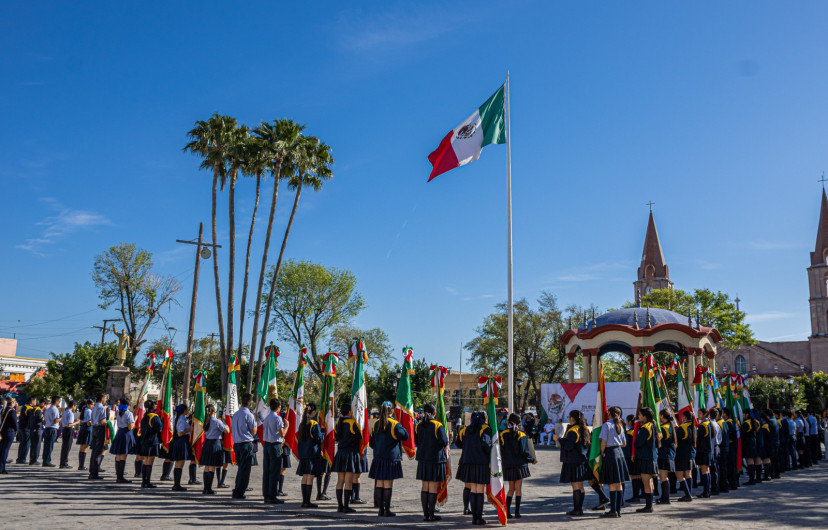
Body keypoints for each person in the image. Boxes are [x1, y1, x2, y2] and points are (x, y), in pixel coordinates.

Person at [369, 401, 410, 517]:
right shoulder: (394, 424)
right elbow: (405, 436)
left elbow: (371, 442)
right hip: (390, 459)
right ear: (392, 411)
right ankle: (386, 510)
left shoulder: (376, 424)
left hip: (378, 458)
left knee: (379, 484)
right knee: (387, 484)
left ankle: (380, 510)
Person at [455, 410, 491, 524]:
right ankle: (478, 517)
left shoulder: (465, 430)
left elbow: (458, 443)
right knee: (479, 491)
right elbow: (487, 445)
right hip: (481, 463)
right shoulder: (485, 429)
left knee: (473, 490)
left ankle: (474, 518)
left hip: (468, 462)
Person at [415, 403, 449, 522]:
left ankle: (425, 514)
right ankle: (431, 514)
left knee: (425, 486)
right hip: (435, 459)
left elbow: (417, 441)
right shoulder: (437, 425)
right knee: (433, 487)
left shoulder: (419, 425)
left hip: (423, 459)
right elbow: (444, 442)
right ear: (434, 413)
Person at [554, 409, 591, 517]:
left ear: (572, 418)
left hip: (573, 461)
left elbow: (568, 446)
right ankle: (579, 508)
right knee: (581, 486)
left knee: (575, 486)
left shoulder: (573, 431)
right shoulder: (585, 429)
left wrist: (559, 439)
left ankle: (577, 509)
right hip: (582, 460)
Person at [501, 412, 536, 519]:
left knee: (511, 489)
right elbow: (525, 451)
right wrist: (532, 459)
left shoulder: (502, 434)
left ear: (508, 421)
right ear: (519, 422)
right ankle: (517, 512)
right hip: (520, 465)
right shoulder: (522, 435)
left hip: (508, 465)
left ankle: (507, 512)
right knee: (518, 489)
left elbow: (501, 450)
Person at [333, 403, 362, 514]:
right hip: (350, 454)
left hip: (340, 454)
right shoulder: (353, 423)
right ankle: (346, 506)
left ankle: (340, 506)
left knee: (340, 481)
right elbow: (359, 436)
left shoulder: (338, 423)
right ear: (350, 412)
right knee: (348, 482)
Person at [297, 403, 325, 508]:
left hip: (304, 454)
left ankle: (304, 500)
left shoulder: (302, 423)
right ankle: (307, 501)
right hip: (312, 454)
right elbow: (319, 438)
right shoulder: (314, 424)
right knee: (310, 477)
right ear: (313, 412)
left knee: (304, 476)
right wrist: (322, 431)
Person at [231, 393, 258, 500]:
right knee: (245, 470)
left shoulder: (236, 414)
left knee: (240, 468)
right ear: (250, 402)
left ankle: (237, 488)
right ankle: (239, 492)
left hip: (237, 443)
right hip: (246, 443)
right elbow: (254, 431)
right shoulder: (249, 415)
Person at [633, 407, 659, 513]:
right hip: (650, 457)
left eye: (639, 415)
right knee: (650, 482)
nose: (638, 417)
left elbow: (638, 443)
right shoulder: (651, 425)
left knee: (647, 482)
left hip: (646, 457)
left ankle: (648, 506)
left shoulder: (645, 428)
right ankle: (649, 505)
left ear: (644, 416)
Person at [262, 398, 288, 505]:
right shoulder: (277, 419)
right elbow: (282, 434)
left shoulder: (267, 417)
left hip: (267, 444)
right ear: (278, 407)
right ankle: (272, 495)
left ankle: (266, 494)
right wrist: (287, 426)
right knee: (274, 471)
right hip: (275, 445)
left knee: (267, 471)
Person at [200, 404, 228, 494]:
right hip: (215, 443)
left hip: (207, 443)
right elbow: (227, 430)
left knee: (207, 467)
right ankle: (209, 489)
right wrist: (226, 424)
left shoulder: (206, 421)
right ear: (214, 411)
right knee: (212, 466)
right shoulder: (217, 421)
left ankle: (205, 488)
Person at [111, 398, 136, 483]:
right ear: (128, 405)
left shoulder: (119, 413)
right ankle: (120, 477)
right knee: (123, 455)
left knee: (118, 455)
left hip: (119, 432)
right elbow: (130, 427)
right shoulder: (129, 413)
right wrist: (134, 422)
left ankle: (118, 476)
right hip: (126, 433)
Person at [139, 400, 163, 488]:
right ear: (152, 407)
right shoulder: (154, 417)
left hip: (145, 441)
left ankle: (144, 481)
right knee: (150, 462)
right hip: (152, 441)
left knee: (145, 461)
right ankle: (147, 482)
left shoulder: (145, 416)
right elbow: (160, 428)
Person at [656, 409, 676, 505]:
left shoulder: (664, 428)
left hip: (664, 454)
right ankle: (664, 496)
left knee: (663, 476)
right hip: (667, 454)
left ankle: (666, 498)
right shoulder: (668, 426)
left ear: (662, 416)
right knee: (663, 476)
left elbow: (659, 440)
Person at [170, 404, 192, 491]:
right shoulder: (182, 419)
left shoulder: (178, 418)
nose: (188, 411)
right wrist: (189, 429)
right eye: (187, 409)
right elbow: (180, 433)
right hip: (181, 441)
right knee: (180, 463)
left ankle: (176, 484)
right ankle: (177, 484)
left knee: (178, 463)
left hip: (179, 441)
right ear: (184, 411)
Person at [87, 393, 108, 479]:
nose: (106, 400)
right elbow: (102, 421)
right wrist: (110, 423)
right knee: (98, 451)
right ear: (102, 398)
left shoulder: (95, 406)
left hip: (94, 428)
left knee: (94, 450)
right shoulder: (101, 408)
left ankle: (92, 470)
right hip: (100, 428)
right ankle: (94, 473)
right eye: (105, 398)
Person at [695, 408, 713, 498]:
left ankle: (706, 491)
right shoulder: (708, 423)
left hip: (703, 450)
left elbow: (698, 438)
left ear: (705, 414)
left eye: (700, 413)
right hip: (707, 450)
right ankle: (707, 490)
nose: (698, 415)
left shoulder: (703, 425)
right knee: (707, 470)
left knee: (704, 470)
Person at [713, 408, 730, 493]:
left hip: (722, 447)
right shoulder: (723, 422)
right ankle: (724, 484)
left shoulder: (718, 423)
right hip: (725, 447)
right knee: (723, 467)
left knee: (721, 468)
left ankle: (723, 485)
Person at [58, 400, 79, 469]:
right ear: (73, 406)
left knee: (64, 447)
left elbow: (61, 423)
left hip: (64, 429)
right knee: (67, 447)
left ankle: (62, 462)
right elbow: (69, 424)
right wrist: (76, 422)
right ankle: (64, 462)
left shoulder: (65, 412)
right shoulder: (70, 413)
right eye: (75, 406)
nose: (75, 408)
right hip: (68, 430)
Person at [41, 396, 61, 467]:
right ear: (56, 402)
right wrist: (61, 418)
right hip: (52, 428)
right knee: (49, 446)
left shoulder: (48, 409)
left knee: (46, 445)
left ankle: (45, 460)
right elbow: (55, 420)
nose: (59, 403)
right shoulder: (55, 409)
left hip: (47, 427)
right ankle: (47, 461)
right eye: (59, 401)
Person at [722, 408, 739, 490]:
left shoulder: (728, 423)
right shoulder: (730, 421)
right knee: (732, 465)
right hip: (732, 446)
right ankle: (734, 482)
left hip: (731, 446)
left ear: (725, 414)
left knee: (731, 466)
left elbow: (731, 434)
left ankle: (733, 483)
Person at [0, 398, 19, 474]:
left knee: (2, 450)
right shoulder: (11, 411)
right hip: (9, 432)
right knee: (5, 450)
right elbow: (15, 422)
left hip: (3, 432)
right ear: (12, 402)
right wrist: (17, 430)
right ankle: (2, 468)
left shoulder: (4, 410)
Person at [742, 409, 760, 484]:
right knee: (756, 460)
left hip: (747, 443)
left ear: (747, 415)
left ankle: (751, 479)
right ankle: (758, 478)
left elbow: (742, 434)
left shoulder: (746, 424)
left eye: (743, 414)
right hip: (754, 442)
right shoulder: (757, 422)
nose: (742, 415)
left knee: (750, 461)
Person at [16, 396, 36, 464]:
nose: (35, 403)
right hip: (26, 428)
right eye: (35, 401)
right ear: (31, 401)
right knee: (26, 443)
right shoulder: (29, 408)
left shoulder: (24, 406)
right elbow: (32, 417)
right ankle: (22, 458)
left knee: (22, 443)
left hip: (21, 427)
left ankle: (20, 458)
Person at [76, 399, 93, 470]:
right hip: (87, 428)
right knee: (85, 447)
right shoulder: (89, 411)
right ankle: (82, 465)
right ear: (88, 404)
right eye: (92, 404)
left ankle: (80, 464)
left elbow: (81, 421)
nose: (93, 406)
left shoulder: (84, 410)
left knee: (81, 447)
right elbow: (89, 422)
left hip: (83, 428)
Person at [28, 398, 46, 465]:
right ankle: (34, 459)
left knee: (32, 445)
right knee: (37, 445)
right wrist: (42, 418)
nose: (45, 405)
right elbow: (38, 419)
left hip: (32, 429)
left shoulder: (33, 409)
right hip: (37, 429)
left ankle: (32, 459)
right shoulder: (38, 410)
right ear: (41, 403)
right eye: (44, 404)